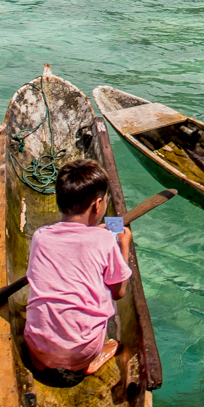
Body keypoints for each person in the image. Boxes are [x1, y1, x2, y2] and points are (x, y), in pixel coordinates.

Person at [21, 160, 134, 376]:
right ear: (97, 205)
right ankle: (87, 364)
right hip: (83, 351)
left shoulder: (40, 236)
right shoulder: (104, 240)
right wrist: (124, 245)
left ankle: (40, 361)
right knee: (101, 322)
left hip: (39, 345)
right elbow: (118, 293)